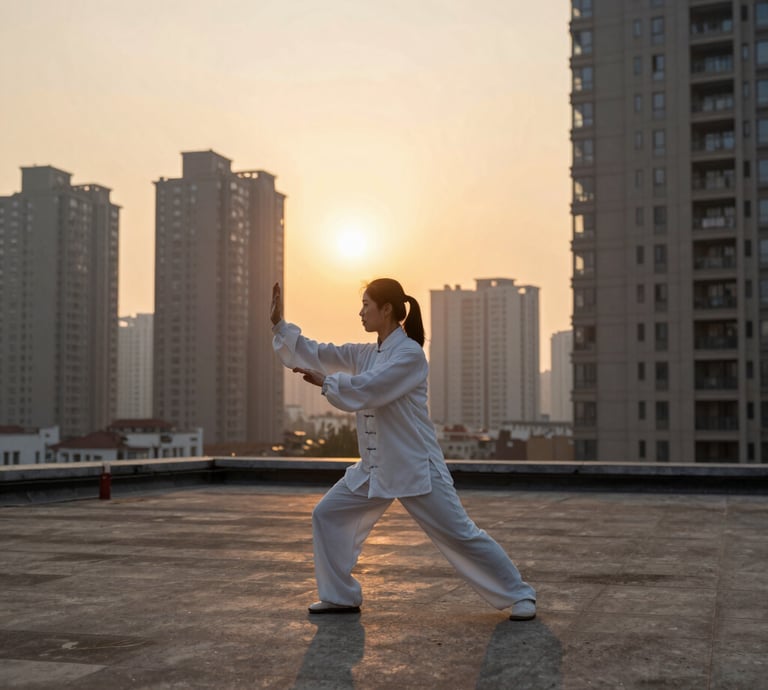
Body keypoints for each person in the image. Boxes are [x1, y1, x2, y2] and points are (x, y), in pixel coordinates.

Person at [270, 279, 536, 621]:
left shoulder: (410, 355)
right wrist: (280, 325)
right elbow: (321, 352)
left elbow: (371, 389)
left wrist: (328, 382)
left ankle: (520, 594)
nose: (361, 312)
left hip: (416, 466)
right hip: (375, 468)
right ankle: (340, 596)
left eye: (366, 305)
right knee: (328, 514)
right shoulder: (366, 353)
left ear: (387, 309)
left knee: (460, 534)